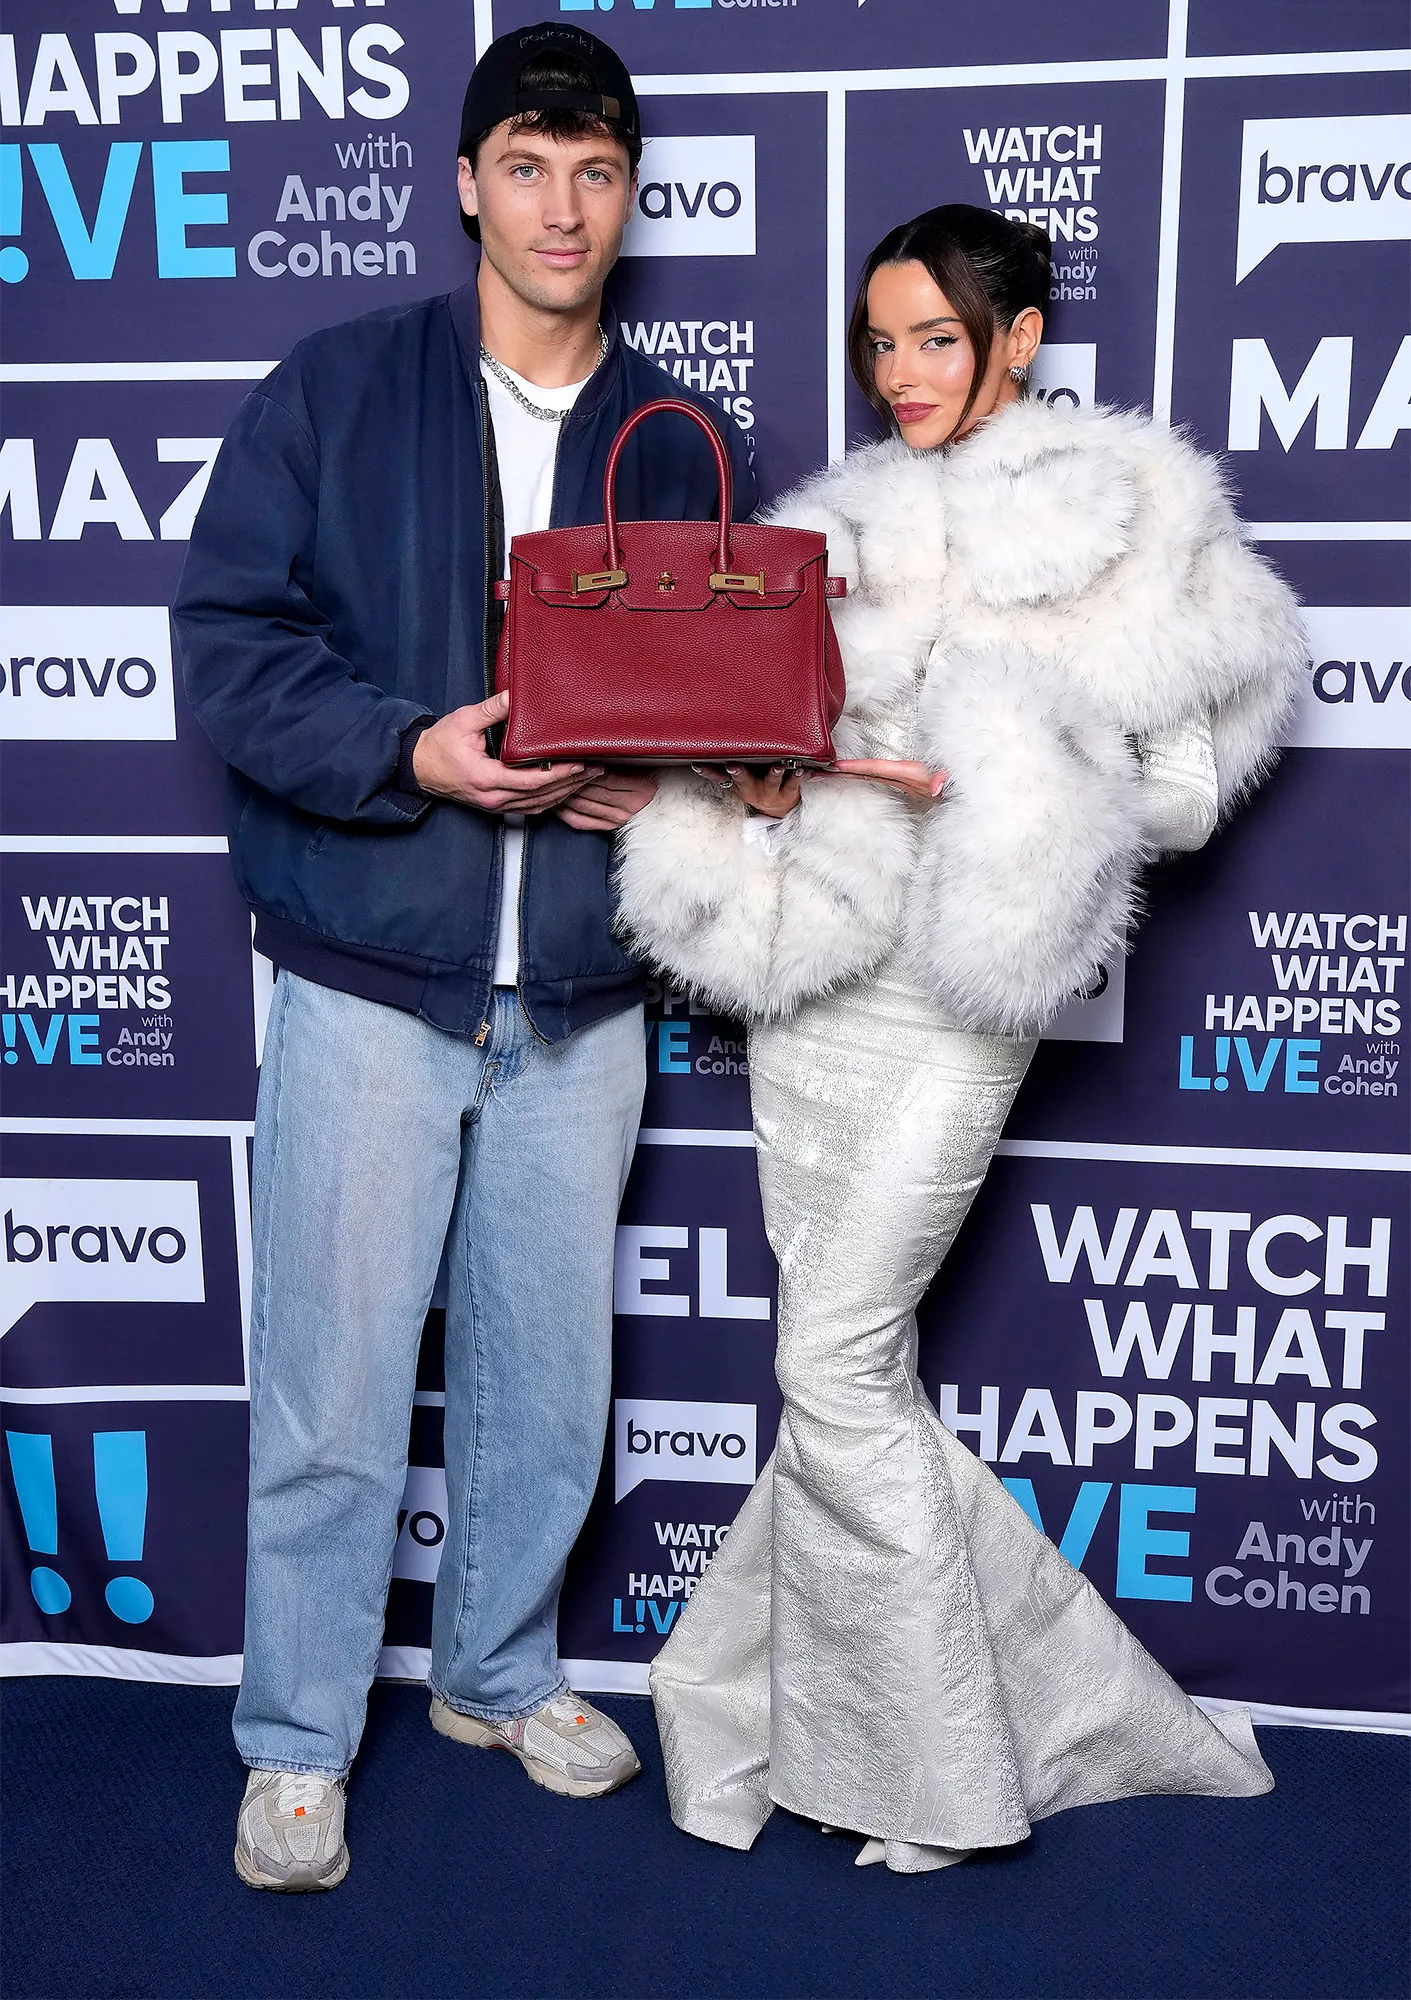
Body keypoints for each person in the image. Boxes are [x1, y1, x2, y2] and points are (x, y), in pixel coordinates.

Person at [615, 204, 1303, 1874]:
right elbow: (760, 745)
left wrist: (992, 767)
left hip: (953, 995)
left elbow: (1190, 797)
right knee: (847, 1377)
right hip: (816, 974)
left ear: (1017, 338)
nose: (904, 371)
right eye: (880, 339)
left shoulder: (1135, 518)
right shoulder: (831, 523)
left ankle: (924, 1771)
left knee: (833, 1360)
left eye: (937, 336)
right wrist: (778, 774)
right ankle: (823, 1713)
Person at [175, 21, 754, 1892]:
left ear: (631, 192)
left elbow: (733, 722)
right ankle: (294, 1741)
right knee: (337, 1397)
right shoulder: (334, 392)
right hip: (370, 979)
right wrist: (411, 752)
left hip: (584, 998)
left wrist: (666, 787)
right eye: (526, 163)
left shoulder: (682, 444)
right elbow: (231, 649)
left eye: (595, 170)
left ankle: (498, 1673)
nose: (561, 203)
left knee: (545, 1386)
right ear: (464, 183)